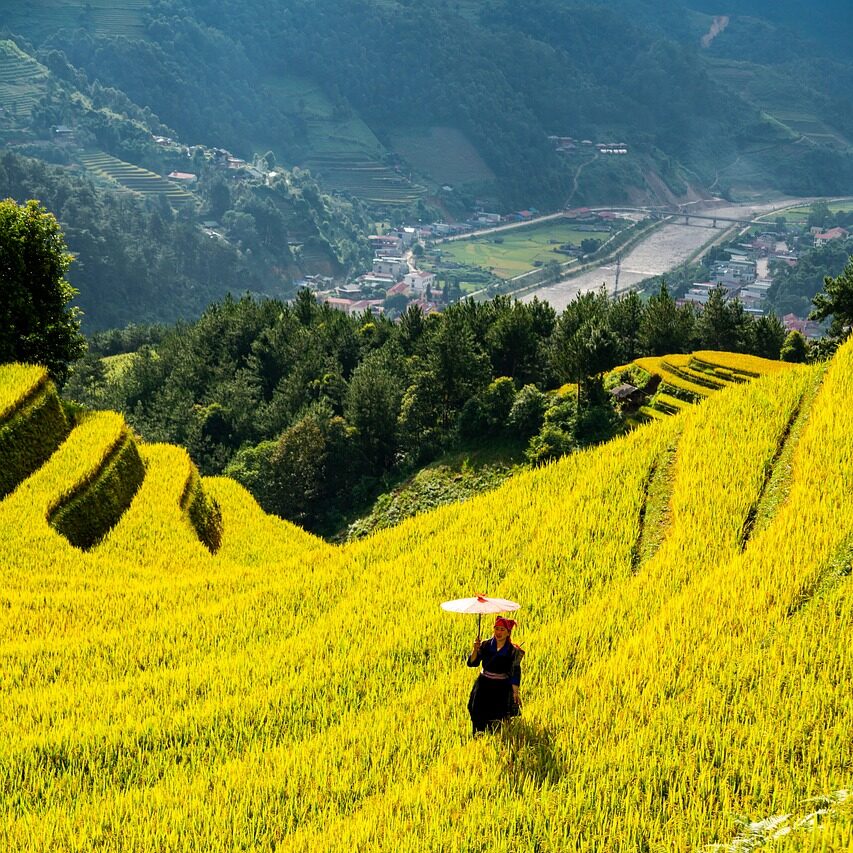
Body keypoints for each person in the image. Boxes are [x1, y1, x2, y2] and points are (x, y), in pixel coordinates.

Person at [466, 616, 524, 734]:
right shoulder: (485, 645)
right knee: (476, 710)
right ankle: (478, 737)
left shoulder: (512, 651)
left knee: (498, 715)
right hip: (483, 684)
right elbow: (472, 663)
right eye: (497, 629)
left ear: (508, 633)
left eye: (502, 630)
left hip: (501, 686)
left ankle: (495, 739)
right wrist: (475, 650)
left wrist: (515, 692)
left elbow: (515, 672)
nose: (499, 632)